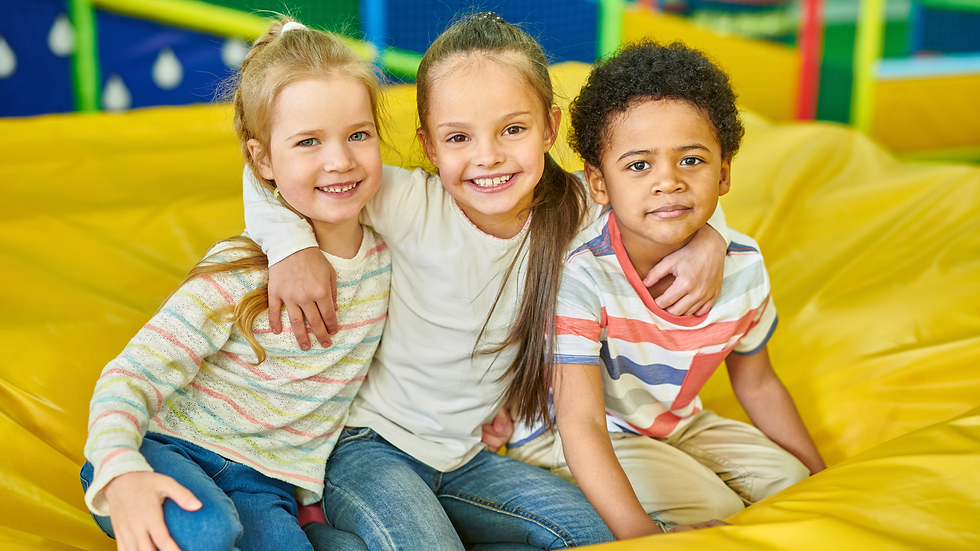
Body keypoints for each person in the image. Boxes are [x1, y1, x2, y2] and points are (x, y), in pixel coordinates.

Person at [243, 13, 732, 550]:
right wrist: (291, 246)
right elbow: (283, 175)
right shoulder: (409, 203)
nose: (488, 157)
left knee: (592, 537)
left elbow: (663, 197)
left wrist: (711, 235)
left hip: (466, 455)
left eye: (513, 129)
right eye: (459, 137)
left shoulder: (573, 207)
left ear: (550, 127)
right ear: (429, 147)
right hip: (368, 448)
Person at [79, 19, 388, 551]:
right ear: (262, 160)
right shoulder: (243, 266)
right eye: (308, 141)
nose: (340, 160)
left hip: (261, 484)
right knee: (212, 531)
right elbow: (130, 374)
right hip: (166, 449)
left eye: (358, 134)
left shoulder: (386, 259)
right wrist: (120, 470)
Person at [506, 41, 827, 540]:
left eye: (692, 160)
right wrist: (641, 538)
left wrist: (827, 484)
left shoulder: (742, 265)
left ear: (723, 173)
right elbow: (582, 423)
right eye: (639, 166)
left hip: (674, 421)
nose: (669, 182)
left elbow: (758, 382)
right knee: (714, 502)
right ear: (598, 184)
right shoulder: (583, 273)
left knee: (790, 481)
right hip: (569, 434)